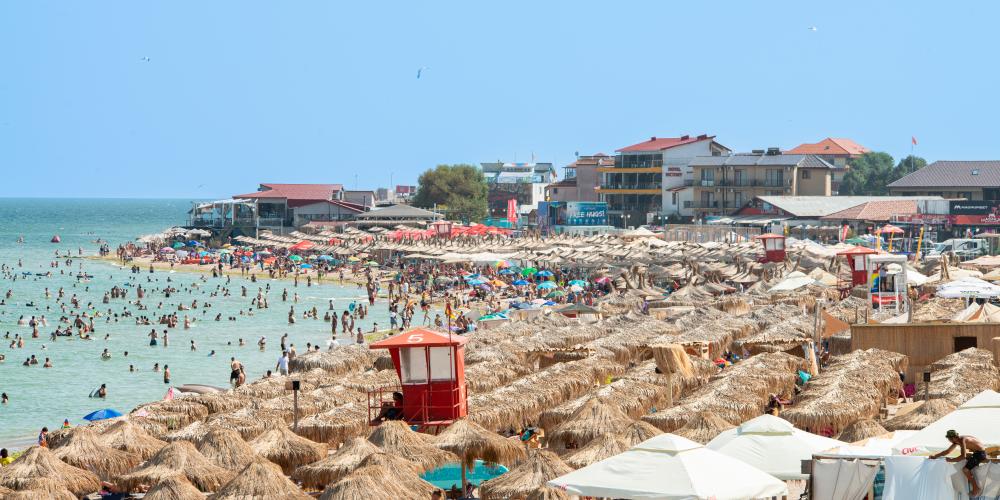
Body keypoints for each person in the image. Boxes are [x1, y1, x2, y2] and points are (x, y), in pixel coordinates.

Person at [930, 430, 987, 496]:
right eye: (949, 439)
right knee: (966, 462)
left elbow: (963, 456)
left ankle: (976, 488)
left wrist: (951, 460)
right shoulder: (957, 440)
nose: (949, 440)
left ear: (953, 437)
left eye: (949, 439)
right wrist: (935, 456)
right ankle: (972, 485)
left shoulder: (962, 440)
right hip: (976, 453)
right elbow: (947, 451)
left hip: (981, 454)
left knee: (965, 470)